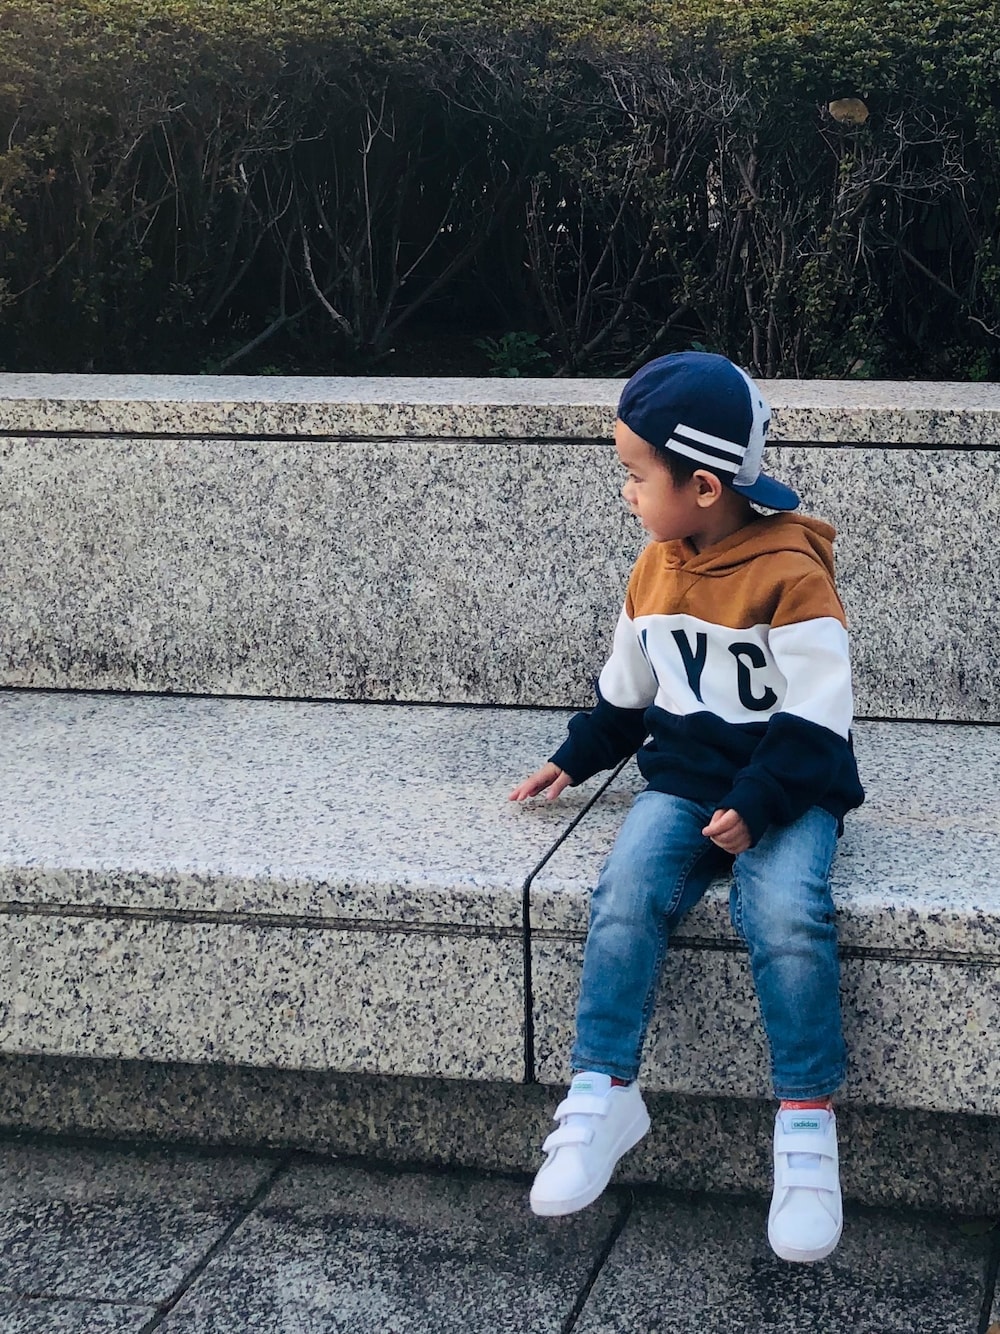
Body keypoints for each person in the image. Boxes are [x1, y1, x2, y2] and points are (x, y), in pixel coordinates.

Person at [510, 351, 864, 1264]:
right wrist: (573, 758)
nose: (626, 492)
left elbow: (818, 719)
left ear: (703, 486)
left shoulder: (793, 575)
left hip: (789, 787)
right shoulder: (654, 569)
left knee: (783, 910)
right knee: (626, 887)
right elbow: (628, 696)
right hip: (684, 782)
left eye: (637, 475)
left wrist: (761, 802)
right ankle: (603, 1090)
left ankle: (806, 1120)